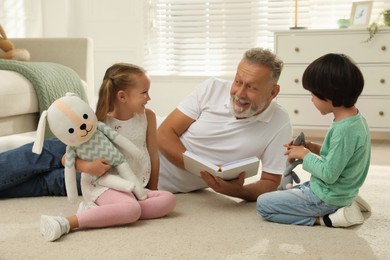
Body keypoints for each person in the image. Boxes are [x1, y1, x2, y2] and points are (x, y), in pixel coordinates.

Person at [39, 63, 176, 241]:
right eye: (144, 92)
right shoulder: (98, 121)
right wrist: (89, 166)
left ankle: (112, 212)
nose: (148, 97)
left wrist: (151, 190)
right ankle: (66, 222)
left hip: (134, 185)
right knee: (131, 209)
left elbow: (153, 156)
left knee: (168, 200)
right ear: (122, 96)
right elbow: (67, 159)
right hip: (103, 185)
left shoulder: (148, 117)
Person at [157, 48, 292, 201]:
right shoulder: (212, 88)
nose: (240, 94)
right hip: (143, 139)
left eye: (252, 87)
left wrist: (238, 191)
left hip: (155, 183)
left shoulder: (280, 122)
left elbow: (270, 183)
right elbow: (163, 134)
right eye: (237, 82)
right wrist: (205, 171)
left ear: (273, 92)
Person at [256, 53, 371, 228]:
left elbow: (329, 174)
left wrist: (304, 155)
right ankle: (347, 199)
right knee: (285, 193)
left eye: (313, 94)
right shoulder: (355, 120)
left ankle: (328, 218)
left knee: (264, 205)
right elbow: (340, 156)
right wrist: (311, 147)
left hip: (326, 196)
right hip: (333, 190)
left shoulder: (344, 130)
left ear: (329, 96)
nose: (311, 99)